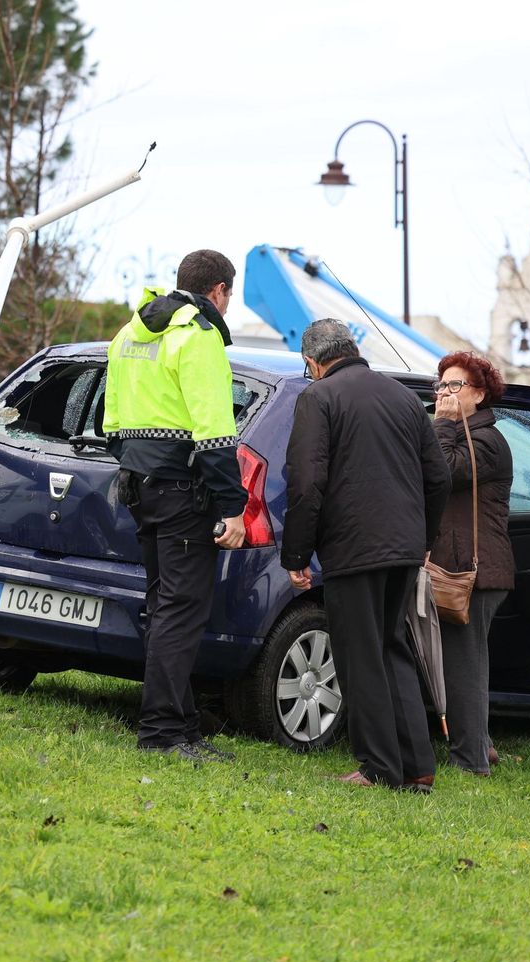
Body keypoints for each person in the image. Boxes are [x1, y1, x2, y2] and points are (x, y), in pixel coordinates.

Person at [281, 319, 450, 791]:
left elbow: (306, 482)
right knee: (393, 647)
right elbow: (438, 477)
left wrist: (296, 553)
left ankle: (378, 767)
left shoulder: (318, 397)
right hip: (404, 548)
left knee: (360, 656)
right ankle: (417, 767)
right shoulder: (403, 396)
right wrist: (423, 538)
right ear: (352, 349)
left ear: (313, 362)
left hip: (353, 546)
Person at [103, 249, 247, 764]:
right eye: (230, 295)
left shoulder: (129, 333)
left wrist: (142, 463)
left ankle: (181, 724)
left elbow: (111, 424)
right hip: (184, 490)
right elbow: (214, 432)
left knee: (165, 606)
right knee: (181, 613)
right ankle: (163, 732)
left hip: (141, 485)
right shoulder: (198, 335)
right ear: (219, 290)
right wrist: (233, 506)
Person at [430, 352, 514, 776]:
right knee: (460, 662)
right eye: (441, 385)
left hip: (475, 573)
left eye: (455, 385)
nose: (444, 393)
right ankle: (481, 746)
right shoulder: (459, 434)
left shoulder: (488, 442)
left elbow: (445, 472)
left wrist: (443, 424)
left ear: (479, 394)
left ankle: (470, 760)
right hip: (454, 566)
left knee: (463, 666)